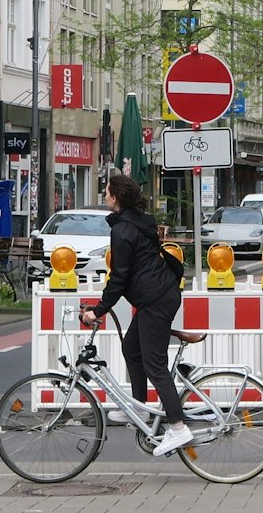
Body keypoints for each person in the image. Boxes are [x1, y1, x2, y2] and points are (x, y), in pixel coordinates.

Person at [79, 173, 193, 457]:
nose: (104, 196)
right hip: (159, 295)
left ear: (115, 197)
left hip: (155, 300)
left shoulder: (123, 230)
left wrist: (98, 310)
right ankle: (137, 406)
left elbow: (119, 277)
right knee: (131, 349)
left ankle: (178, 429)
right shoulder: (138, 220)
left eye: (106, 192)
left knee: (155, 366)